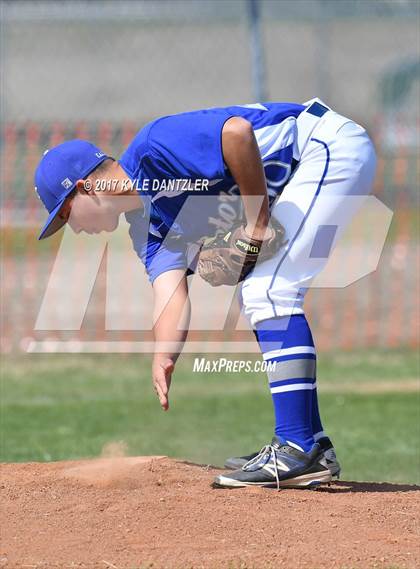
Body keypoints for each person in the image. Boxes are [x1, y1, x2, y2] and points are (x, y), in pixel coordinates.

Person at [34, 99, 376, 489]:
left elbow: (237, 133)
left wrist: (256, 220)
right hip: (306, 169)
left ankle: (297, 447)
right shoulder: (146, 226)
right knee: (264, 292)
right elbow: (170, 293)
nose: (73, 229)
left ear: (86, 188)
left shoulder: (154, 147)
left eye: (66, 215)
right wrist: (164, 354)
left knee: (269, 289)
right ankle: (311, 444)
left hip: (322, 146)